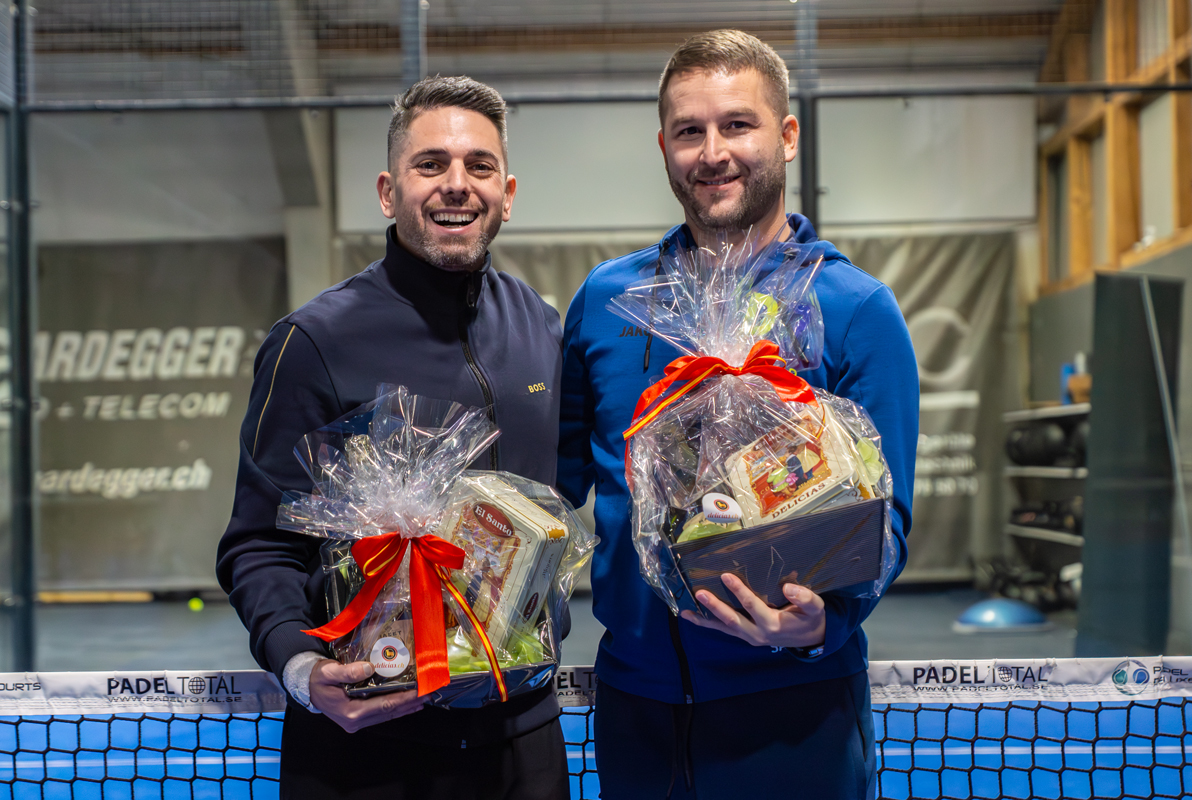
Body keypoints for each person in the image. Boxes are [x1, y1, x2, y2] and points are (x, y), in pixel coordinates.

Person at [557, 30, 919, 799]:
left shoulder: (856, 310)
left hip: (791, 707)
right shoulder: (607, 301)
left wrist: (822, 625)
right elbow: (554, 482)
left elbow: (889, 519)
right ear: (663, 146)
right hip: (636, 706)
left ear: (787, 136)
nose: (713, 151)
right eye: (690, 131)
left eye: (737, 124)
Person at [217, 76, 568, 800]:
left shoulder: (541, 327)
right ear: (388, 190)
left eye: (478, 166)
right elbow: (258, 542)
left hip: (522, 736)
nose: (456, 186)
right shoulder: (313, 340)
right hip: (366, 739)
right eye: (430, 164)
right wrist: (300, 669)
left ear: (508, 191)